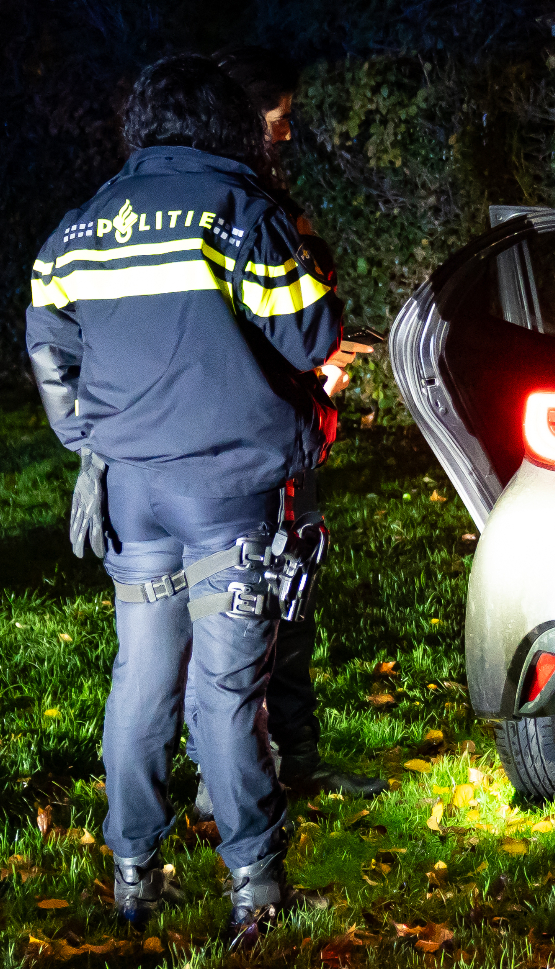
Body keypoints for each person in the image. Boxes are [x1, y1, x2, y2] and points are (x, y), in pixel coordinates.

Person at [25, 53, 342, 943]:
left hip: (134, 499)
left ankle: (135, 877)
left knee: (139, 683)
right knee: (225, 692)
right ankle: (257, 888)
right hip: (228, 493)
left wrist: (94, 447)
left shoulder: (78, 230)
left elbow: (52, 356)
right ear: (227, 126)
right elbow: (312, 329)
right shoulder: (236, 212)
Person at [208, 44, 387, 801]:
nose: (287, 134)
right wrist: (312, 364)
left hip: (294, 428)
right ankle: (243, 774)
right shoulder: (234, 209)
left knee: (295, 597)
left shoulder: (269, 200)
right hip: (255, 442)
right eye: (279, 120)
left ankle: (297, 758)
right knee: (255, 607)